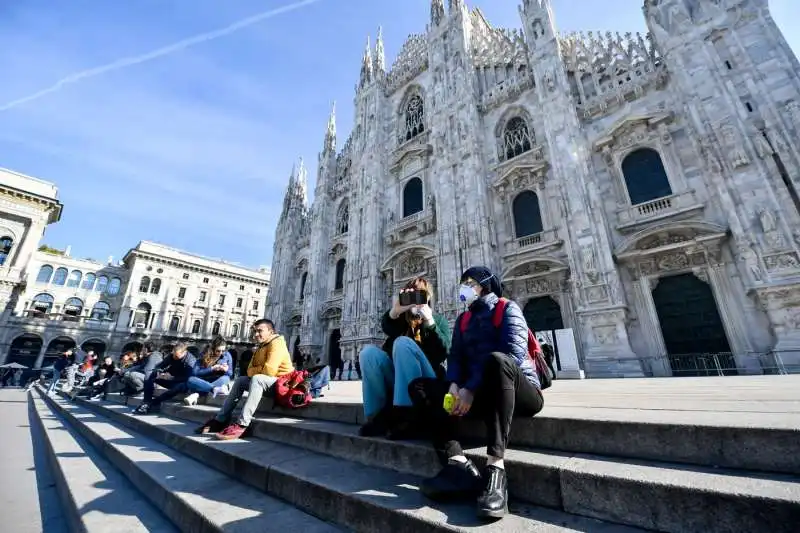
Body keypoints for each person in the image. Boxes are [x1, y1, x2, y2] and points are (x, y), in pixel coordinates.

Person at [409, 266, 544, 520]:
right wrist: (454, 384)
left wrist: (470, 388)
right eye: (463, 282)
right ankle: (458, 464)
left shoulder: (507, 308)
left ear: (485, 285)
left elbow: (513, 355)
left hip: (520, 390)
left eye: (469, 282)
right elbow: (456, 357)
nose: (464, 287)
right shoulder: (464, 319)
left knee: (497, 360)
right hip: (481, 394)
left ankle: (496, 468)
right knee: (419, 386)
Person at [358, 277, 450, 439]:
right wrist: (396, 311)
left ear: (428, 297)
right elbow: (387, 326)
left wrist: (429, 320)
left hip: (426, 379)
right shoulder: (401, 322)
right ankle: (376, 417)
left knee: (402, 343)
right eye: (411, 295)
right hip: (399, 378)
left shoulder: (438, 320)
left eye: (419, 294)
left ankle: (407, 416)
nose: (415, 299)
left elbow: (444, 350)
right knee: (368, 353)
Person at [195, 319, 293, 440]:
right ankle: (220, 419)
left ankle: (242, 424)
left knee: (257, 378)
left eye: (260, 331)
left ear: (271, 331)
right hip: (269, 382)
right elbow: (249, 370)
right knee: (241, 380)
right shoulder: (261, 345)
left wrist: (256, 370)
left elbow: (269, 371)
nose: (256, 334)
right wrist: (258, 369)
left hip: (283, 384)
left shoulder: (277, 343)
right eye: (255, 331)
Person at [133, 343, 196, 414]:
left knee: (179, 386)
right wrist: (160, 373)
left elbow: (189, 378)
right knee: (150, 375)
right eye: (173, 354)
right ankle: (146, 401)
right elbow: (159, 366)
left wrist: (172, 378)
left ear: (184, 353)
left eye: (177, 356)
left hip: (181, 383)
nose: (174, 357)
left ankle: (154, 403)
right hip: (169, 378)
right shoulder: (172, 356)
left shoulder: (190, 361)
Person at [183, 336, 234, 406]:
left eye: (223, 350)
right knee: (190, 380)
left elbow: (230, 373)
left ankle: (196, 394)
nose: (221, 353)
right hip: (203, 380)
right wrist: (212, 368)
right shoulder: (204, 354)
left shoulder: (227, 355)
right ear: (213, 349)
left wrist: (226, 370)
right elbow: (195, 372)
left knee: (226, 378)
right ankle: (214, 389)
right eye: (218, 351)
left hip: (218, 380)